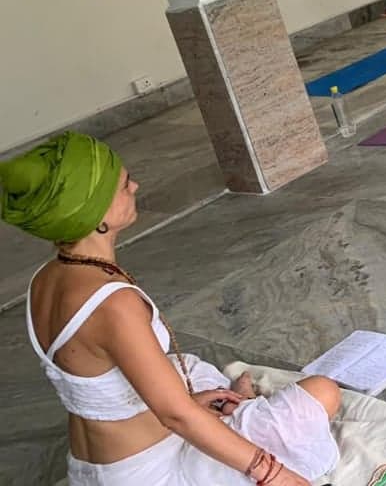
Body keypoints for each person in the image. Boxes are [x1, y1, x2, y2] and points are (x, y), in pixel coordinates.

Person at [1, 133, 342, 486]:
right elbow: (176, 417)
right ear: (94, 212)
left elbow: (102, 389)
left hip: (96, 466)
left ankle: (234, 404)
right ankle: (240, 405)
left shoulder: (46, 277)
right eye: (121, 185)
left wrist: (191, 402)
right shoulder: (111, 302)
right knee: (321, 393)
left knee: (191, 372)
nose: (135, 185)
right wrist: (275, 474)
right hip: (150, 473)